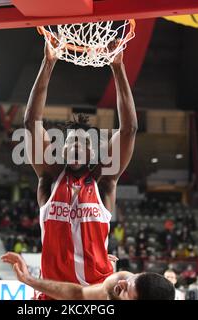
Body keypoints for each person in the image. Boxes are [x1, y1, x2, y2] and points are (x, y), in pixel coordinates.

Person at [23, 41, 137, 296]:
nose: (76, 146)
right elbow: (32, 122)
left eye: (84, 143)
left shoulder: (103, 182)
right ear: (62, 150)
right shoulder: (49, 179)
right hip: (51, 293)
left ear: (93, 154)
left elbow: (129, 129)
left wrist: (118, 67)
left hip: (96, 292)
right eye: (70, 142)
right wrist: (48, 63)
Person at [2, 252, 174, 300]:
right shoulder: (117, 281)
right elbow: (79, 295)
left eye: (126, 289)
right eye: (130, 280)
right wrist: (29, 280)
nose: (122, 281)